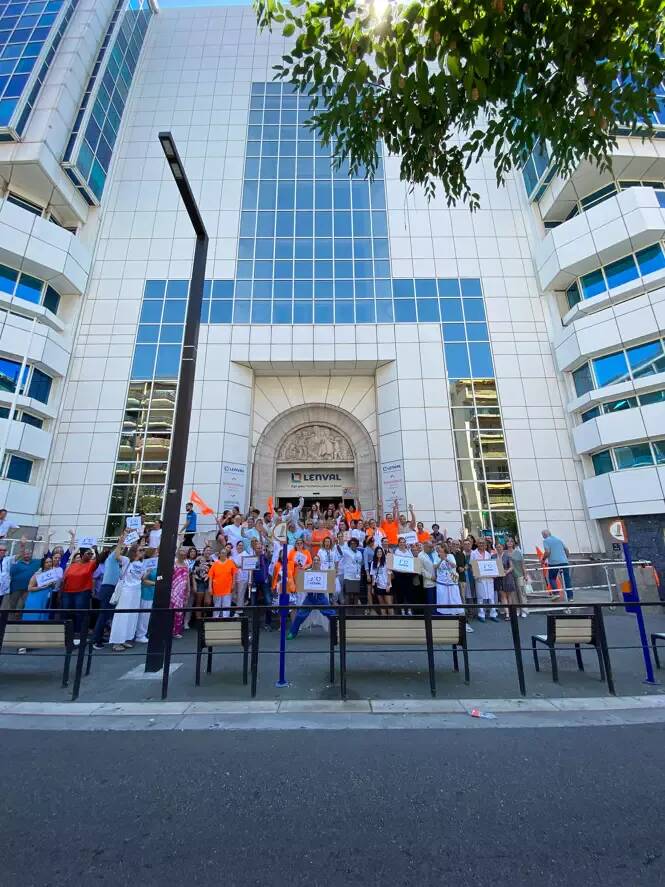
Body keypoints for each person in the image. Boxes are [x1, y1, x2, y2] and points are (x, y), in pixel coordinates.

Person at [109, 536, 147, 651]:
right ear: (134, 551)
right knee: (122, 615)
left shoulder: (142, 564)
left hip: (136, 591)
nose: (143, 552)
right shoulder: (127, 560)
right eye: (140, 550)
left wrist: (148, 571)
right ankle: (116, 642)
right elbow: (117, 556)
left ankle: (125, 639)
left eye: (143, 550)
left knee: (132, 616)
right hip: (126, 591)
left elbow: (141, 578)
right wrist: (120, 543)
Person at [287, 556, 335, 639]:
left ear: (320, 562)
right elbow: (301, 582)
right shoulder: (307, 572)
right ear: (312, 562)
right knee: (300, 615)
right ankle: (292, 633)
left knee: (331, 614)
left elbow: (330, 584)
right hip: (310, 598)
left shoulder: (324, 572)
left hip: (320, 597)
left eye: (317, 560)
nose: (316, 561)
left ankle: (337, 632)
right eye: (314, 560)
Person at [61, 546, 98, 641]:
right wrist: (61, 593)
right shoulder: (72, 566)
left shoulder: (91, 564)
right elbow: (64, 579)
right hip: (67, 593)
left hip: (82, 593)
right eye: (88, 553)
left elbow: (98, 560)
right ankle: (67, 635)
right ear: (82, 555)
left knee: (80, 614)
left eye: (91, 554)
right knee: (67, 614)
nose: (90, 555)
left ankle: (79, 636)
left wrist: (96, 550)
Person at [92, 541, 123, 649]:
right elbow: (118, 549)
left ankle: (99, 636)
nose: (121, 554)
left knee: (107, 615)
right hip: (107, 588)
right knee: (103, 615)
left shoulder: (117, 563)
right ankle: (96, 640)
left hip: (112, 589)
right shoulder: (111, 559)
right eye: (120, 551)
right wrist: (122, 540)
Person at [24, 555, 62, 622]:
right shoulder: (38, 574)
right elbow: (29, 588)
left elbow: (52, 587)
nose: (49, 563)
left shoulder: (52, 573)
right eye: (46, 562)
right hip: (36, 598)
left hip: (46, 598)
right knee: (34, 616)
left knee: (43, 616)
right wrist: (43, 587)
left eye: (50, 562)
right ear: (43, 564)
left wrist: (52, 585)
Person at [435, 543, 467, 619]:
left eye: (440, 549)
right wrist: (441, 560)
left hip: (452, 581)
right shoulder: (436, 557)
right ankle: (446, 616)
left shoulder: (450, 556)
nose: (438, 550)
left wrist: (446, 559)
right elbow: (435, 566)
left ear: (444, 549)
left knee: (454, 598)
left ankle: (459, 616)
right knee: (443, 599)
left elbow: (454, 565)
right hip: (442, 582)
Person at [470, 537, 498, 622]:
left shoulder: (488, 554)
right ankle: (481, 614)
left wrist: (494, 573)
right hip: (479, 578)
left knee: (491, 597)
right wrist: (475, 574)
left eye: (483, 543)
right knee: (480, 597)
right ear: (477, 544)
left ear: (486, 545)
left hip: (488, 578)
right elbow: (472, 565)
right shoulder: (473, 553)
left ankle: (493, 614)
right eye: (480, 543)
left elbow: (491, 566)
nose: (481, 544)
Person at [541, 529, 573, 602]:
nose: (542, 537)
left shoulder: (545, 541)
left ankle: (556, 593)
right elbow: (566, 550)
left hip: (553, 562)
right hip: (564, 562)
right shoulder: (559, 539)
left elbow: (547, 552)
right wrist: (566, 558)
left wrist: (543, 559)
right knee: (567, 579)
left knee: (552, 577)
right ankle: (570, 597)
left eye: (542, 535)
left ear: (544, 535)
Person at [207, 548, 238, 618]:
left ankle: (225, 618)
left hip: (227, 588)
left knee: (226, 604)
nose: (223, 554)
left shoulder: (230, 562)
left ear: (226, 554)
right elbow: (210, 576)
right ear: (219, 554)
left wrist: (233, 584)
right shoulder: (215, 564)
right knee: (217, 605)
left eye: (224, 553)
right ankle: (215, 618)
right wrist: (210, 587)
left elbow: (234, 575)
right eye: (222, 553)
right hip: (217, 588)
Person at [135, 559, 157, 643]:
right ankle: (140, 635)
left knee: (148, 616)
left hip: (154, 593)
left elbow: (160, 578)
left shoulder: (157, 566)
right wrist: (155, 583)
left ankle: (144, 633)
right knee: (144, 615)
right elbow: (143, 580)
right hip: (146, 593)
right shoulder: (145, 565)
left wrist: (159, 580)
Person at [170, 548, 190, 638]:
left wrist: (188, 590)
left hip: (182, 592)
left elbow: (187, 578)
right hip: (173, 591)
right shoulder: (173, 564)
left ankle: (176, 631)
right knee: (171, 611)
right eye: (181, 553)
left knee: (179, 611)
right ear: (177, 554)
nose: (182, 555)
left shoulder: (186, 565)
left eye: (184, 554)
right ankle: (169, 630)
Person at [506, 537, 529, 617]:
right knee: (513, 594)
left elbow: (523, 565)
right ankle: (517, 610)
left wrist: (525, 575)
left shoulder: (518, 552)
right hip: (510, 576)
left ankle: (524, 610)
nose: (509, 543)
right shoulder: (505, 553)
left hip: (519, 575)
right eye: (507, 541)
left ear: (513, 543)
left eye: (511, 541)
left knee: (522, 593)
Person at [370, 546, 392, 614]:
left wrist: (388, 585)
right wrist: (373, 587)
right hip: (378, 586)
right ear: (375, 553)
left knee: (389, 604)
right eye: (378, 552)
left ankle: (392, 618)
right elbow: (373, 576)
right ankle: (384, 618)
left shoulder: (386, 561)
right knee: (381, 604)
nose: (379, 553)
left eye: (380, 552)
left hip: (386, 586)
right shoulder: (373, 563)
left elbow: (389, 573)